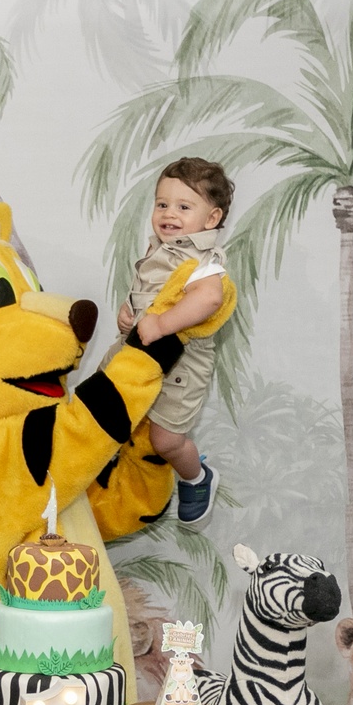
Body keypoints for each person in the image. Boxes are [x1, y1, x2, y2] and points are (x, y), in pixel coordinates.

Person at [105, 156, 234, 527]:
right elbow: (148, 293)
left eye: (183, 207)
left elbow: (208, 299)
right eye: (162, 204)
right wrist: (129, 311)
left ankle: (196, 477)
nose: (169, 213)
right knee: (110, 409)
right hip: (140, 354)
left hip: (182, 367)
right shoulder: (159, 250)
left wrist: (161, 324)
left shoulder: (205, 261)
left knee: (166, 441)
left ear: (211, 218)